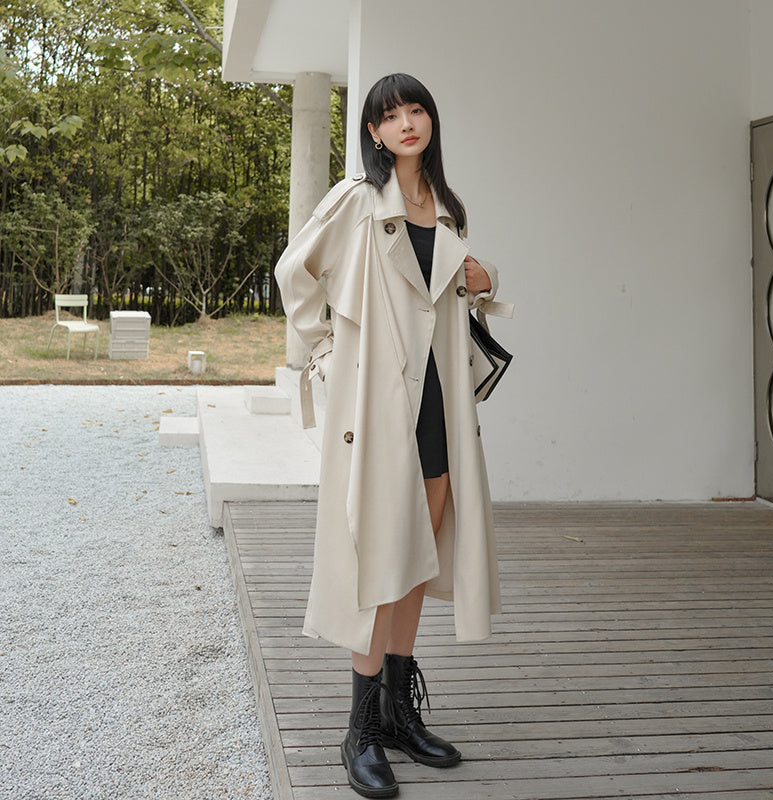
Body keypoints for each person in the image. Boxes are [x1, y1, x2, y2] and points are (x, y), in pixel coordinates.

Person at [275, 73, 506, 799]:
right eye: (390, 115)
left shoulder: (443, 205)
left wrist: (482, 278)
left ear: (431, 122)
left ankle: (398, 710)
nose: (406, 122)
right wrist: (323, 357)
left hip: (437, 399)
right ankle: (361, 730)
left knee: (419, 548)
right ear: (373, 132)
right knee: (376, 553)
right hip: (377, 403)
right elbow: (294, 273)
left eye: (416, 110)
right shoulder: (355, 200)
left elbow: (450, 294)